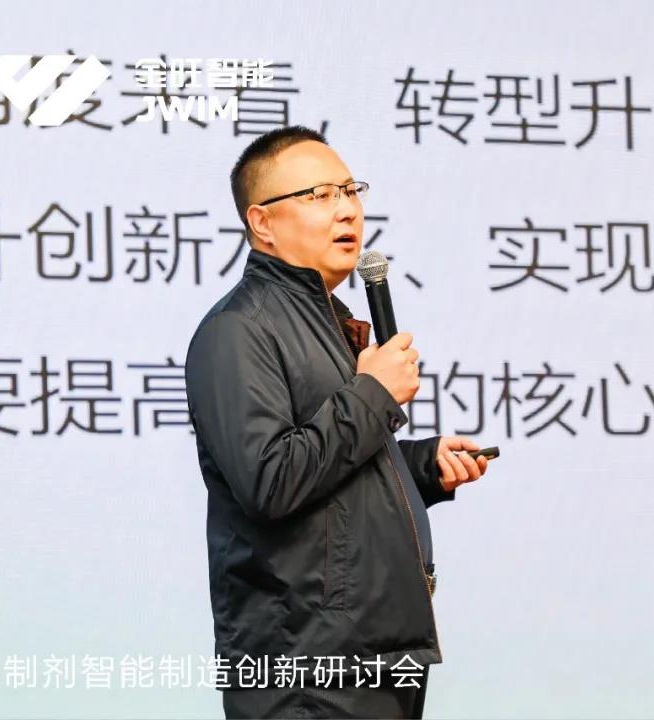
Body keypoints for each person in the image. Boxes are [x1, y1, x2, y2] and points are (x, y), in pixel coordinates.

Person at [184, 126, 493, 718]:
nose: (347, 209)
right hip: (306, 671)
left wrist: (420, 467)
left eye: (351, 191)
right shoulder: (237, 331)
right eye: (319, 195)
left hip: (376, 657)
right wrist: (374, 393)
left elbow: (331, 474)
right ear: (263, 223)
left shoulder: (328, 321)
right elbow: (270, 480)